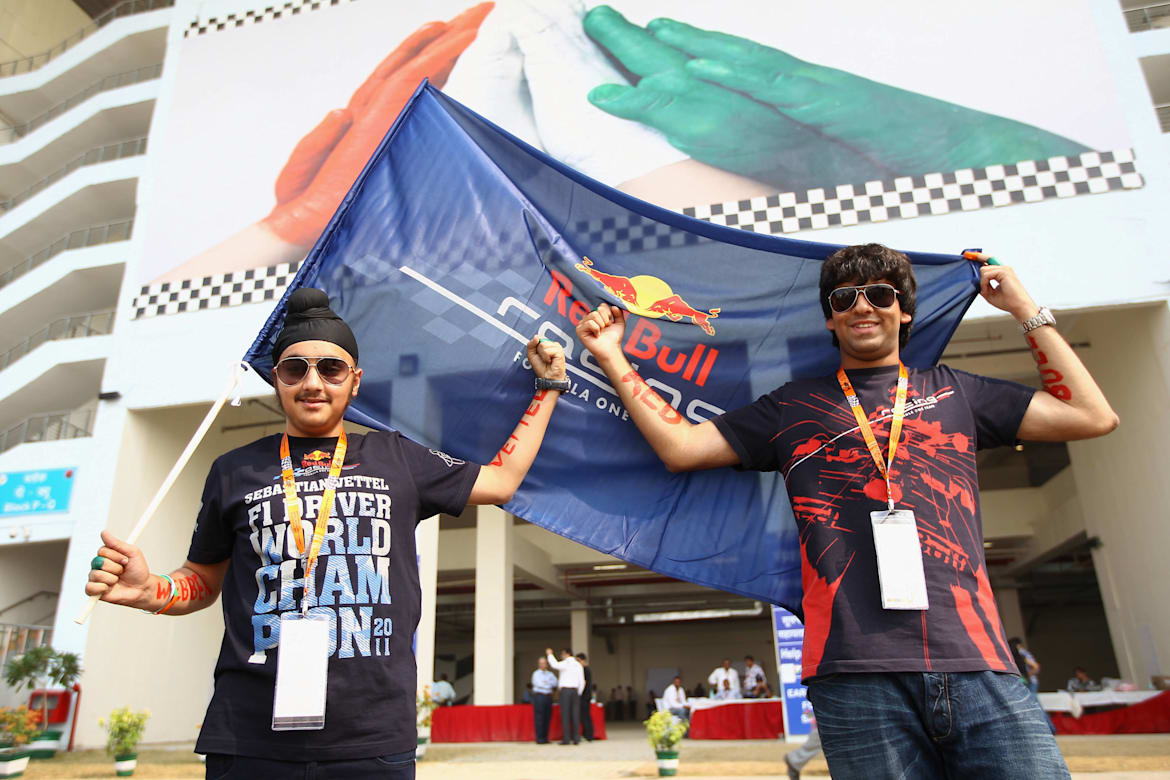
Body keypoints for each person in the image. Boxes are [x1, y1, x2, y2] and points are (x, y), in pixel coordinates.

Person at [576, 244, 1118, 779]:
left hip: (978, 662)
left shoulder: (957, 392)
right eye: (843, 298)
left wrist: (1026, 310)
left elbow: (1092, 416)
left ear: (904, 311)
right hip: (855, 674)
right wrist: (610, 355)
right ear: (831, 320)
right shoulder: (793, 406)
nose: (862, 306)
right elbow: (682, 449)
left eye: (879, 294)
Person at [85, 288, 568, 779]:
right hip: (250, 737)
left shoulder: (398, 459)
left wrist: (548, 387)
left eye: (331, 369)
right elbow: (202, 582)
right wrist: (151, 591)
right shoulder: (233, 470)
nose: (312, 383)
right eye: (295, 369)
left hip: (372, 739)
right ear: (276, 379)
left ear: (354, 382)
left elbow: (503, 479)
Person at [546, 648, 585, 745]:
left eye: (563, 654)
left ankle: (566, 739)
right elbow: (582, 681)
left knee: (565, 715)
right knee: (575, 715)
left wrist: (550, 654)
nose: (562, 656)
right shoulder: (578, 665)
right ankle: (576, 738)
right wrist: (578, 693)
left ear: (567, 654)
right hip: (575, 691)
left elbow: (554, 665)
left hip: (566, 691)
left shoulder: (566, 663)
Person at [531, 656, 558, 745]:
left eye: (544, 663)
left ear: (547, 664)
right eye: (541, 663)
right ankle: (539, 738)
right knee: (539, 718)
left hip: (548, 697)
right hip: (539, 696)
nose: (543, 665)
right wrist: (547, 683)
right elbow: (539, 684)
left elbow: (555, 683)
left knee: (547, 717)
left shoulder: (550, 674)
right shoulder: (536, 674)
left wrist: (546, 683)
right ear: (539, 664)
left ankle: (545, 738)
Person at [576, 652, 595, 741]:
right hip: (586, 696)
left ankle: (588, 735)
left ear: (583, 660)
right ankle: (587, 734)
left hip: (584, 696)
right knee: (585, 716)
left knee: (585, 716)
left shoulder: (584, 670)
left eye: (578, 660)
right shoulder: (587, 669)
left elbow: (584, 684)